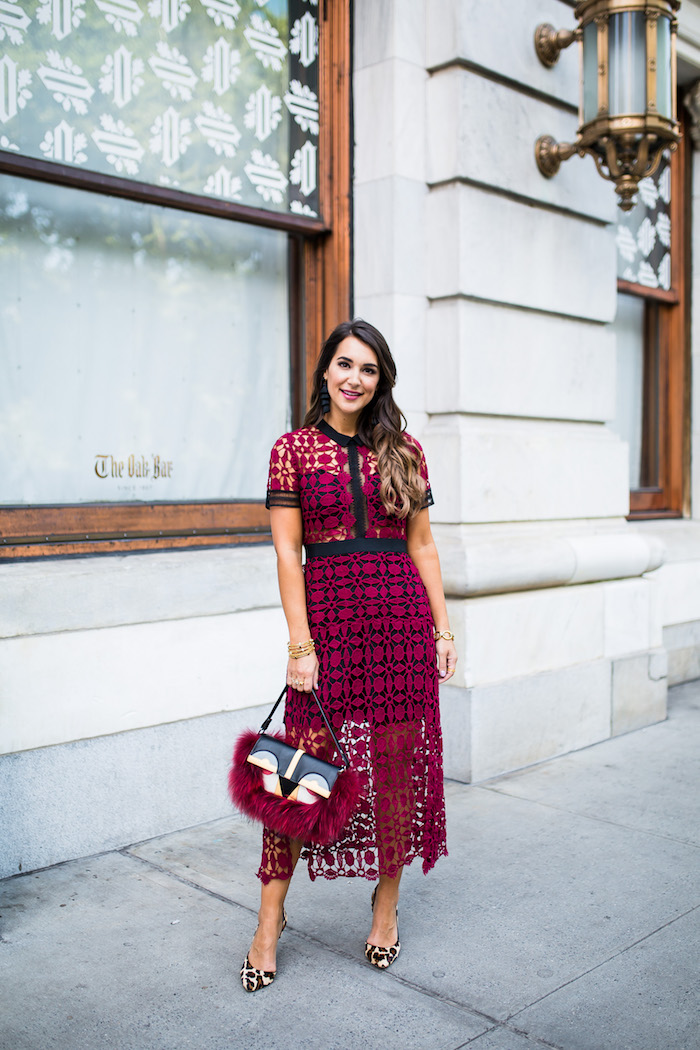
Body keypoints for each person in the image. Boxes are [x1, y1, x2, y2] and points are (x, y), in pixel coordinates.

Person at [241, 319, 457, 992]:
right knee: (299, 779)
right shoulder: (293, 450)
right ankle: (269, 922)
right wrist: (298, 645)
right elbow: (286, 553)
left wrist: (444, 631)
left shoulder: (405, 450)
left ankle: (385, 908)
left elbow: (423, 546)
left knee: (396, 770)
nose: (355, 378)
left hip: (400, 626)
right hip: (329, 625)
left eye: (368, 369)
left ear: (380, 379)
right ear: (325, 372)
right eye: (344, 364)